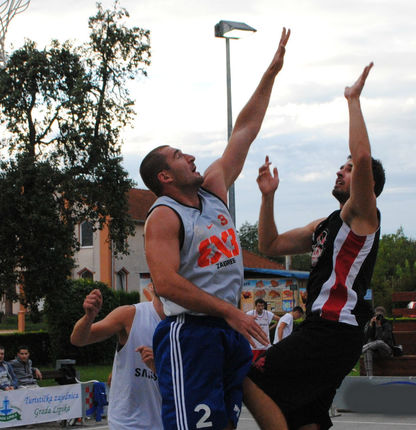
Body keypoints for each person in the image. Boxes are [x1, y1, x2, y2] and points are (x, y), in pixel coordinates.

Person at [141, 29, 290, 430]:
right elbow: (167, 284)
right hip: (191, 332)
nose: (189, 156)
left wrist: (271, 73)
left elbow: (245, 129)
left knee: (224, 424)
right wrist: (229, 311)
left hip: (226, 330)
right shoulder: (164, 216)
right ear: (165, 176)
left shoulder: (213, 190)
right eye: (178, 156)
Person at [247, 62, 386, 430]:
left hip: (332, 331)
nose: (341, 171)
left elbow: (362, 158)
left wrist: (353, 100)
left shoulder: (363, 215)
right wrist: (267, 198)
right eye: (341, 168)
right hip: (327, 334)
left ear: (366, 185)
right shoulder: (324, 225)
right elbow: (270, 243)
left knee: (248, 377)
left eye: (347, 169)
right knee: (303, 415)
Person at [70, 287, 165, 430]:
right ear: (152, 284)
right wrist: (88, 317)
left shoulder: (187, 323)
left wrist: (160, 366)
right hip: (127, 422)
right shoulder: (130, 315)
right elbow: (78, 339)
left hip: (167, 421)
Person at [362, 306, 396, 377]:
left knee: (379, 342)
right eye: (377, 315)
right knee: (367, 351)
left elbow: (383, 339)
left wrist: (378, 327)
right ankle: (369, 377)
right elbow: (365, 338)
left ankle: (360, 349)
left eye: (380, 316)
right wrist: (371, 326)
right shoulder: (370, 322)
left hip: (386, 350)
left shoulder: (387, 324)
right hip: (375, 351)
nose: (378, 317)